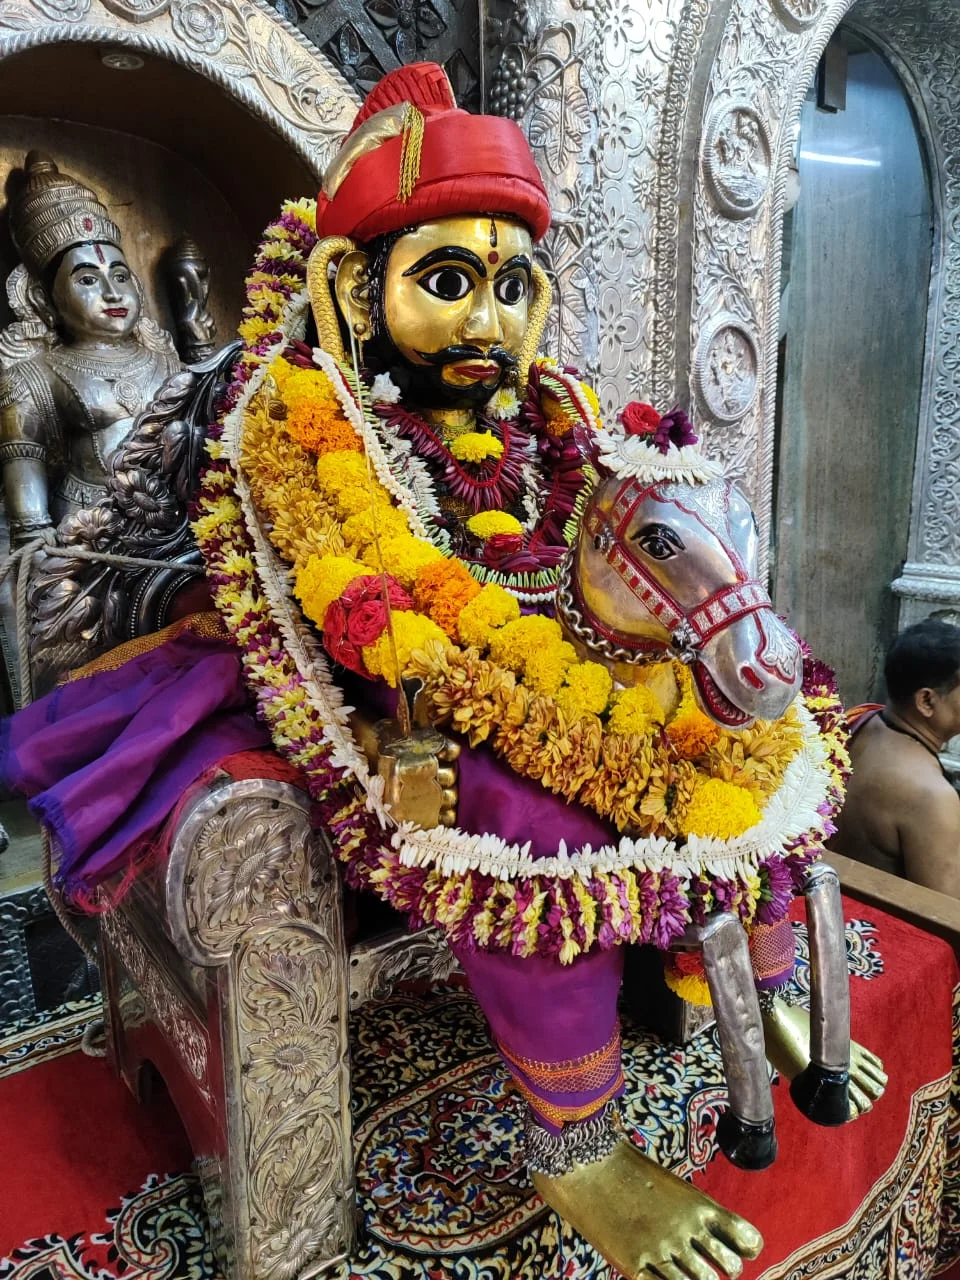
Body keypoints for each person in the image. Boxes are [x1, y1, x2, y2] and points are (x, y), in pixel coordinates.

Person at [832, 619, 960, 893]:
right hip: (873, 925)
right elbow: (946, 917)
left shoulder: (863, 720)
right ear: (926, 701)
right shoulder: (931, 796)